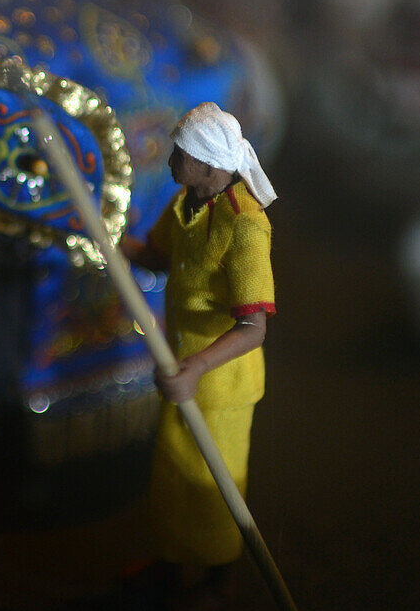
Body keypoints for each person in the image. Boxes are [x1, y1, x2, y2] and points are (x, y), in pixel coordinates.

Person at [121, 102, 277, 609]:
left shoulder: (245, 225)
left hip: (219, 380)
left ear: (210, 165)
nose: (170, 161)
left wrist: (200, 366)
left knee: (212, 485)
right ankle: (170, 566)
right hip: (180, 366)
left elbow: (253, 327)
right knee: (171, 478)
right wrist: (112, 242)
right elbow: (159, 257)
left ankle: (217, 581)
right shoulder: (187, 202)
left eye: (180, 154)